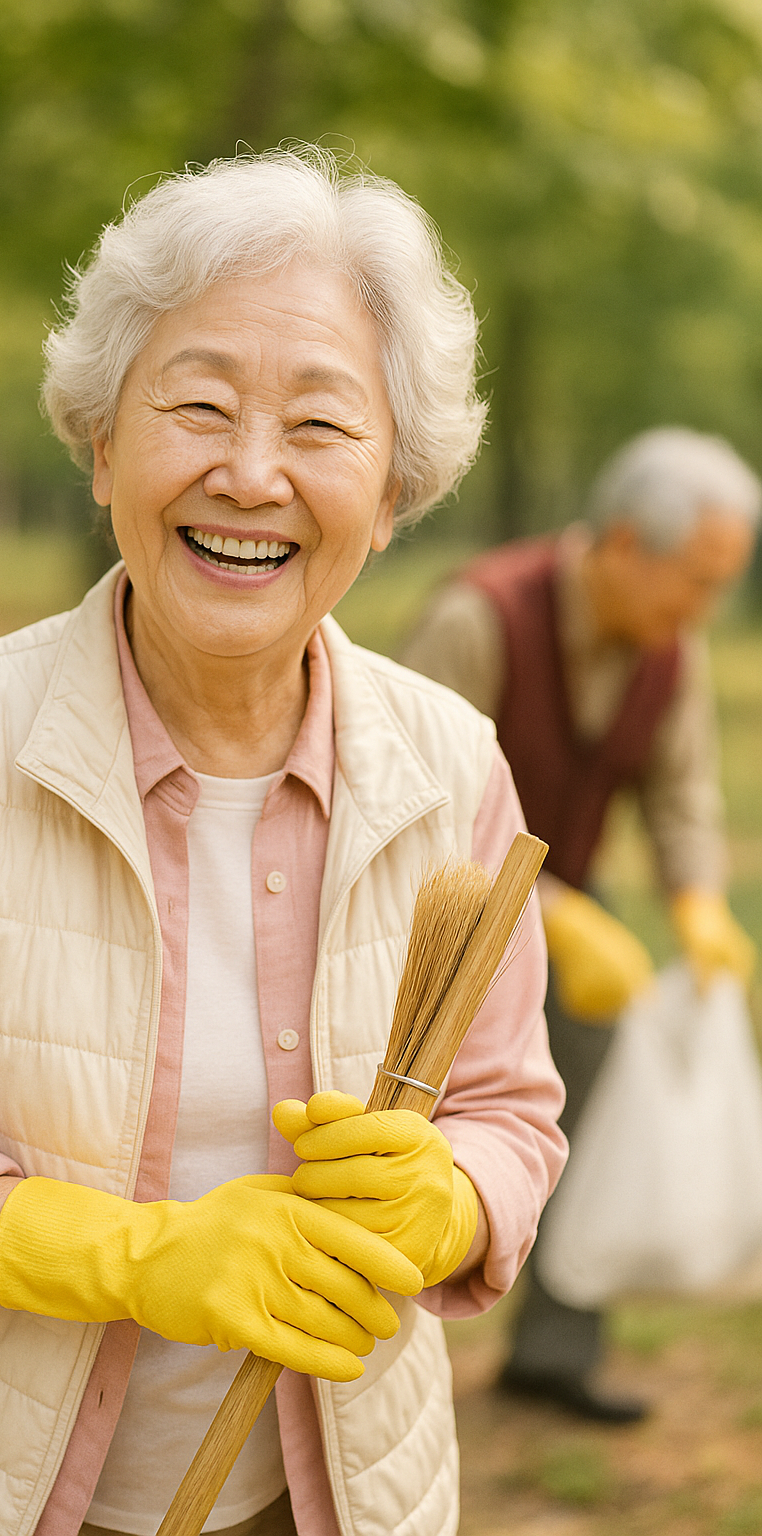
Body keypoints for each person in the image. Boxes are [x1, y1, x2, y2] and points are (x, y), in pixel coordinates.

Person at [0, 148, 566, 1536]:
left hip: (323, 1498)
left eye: (319, 426)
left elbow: (512, 1116)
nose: (249, 474)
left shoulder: (454, 766)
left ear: (392, 495)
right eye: (196, 405)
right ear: (101, 444)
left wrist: (451, 1200)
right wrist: (140, 1256)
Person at [399, 426, 760, 1424]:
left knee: (584, 1101)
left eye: (720, 586)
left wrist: (696, 901)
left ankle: (552, 1350)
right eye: (693, 580)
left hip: (563, 910)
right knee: (414, 1125)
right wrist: (544, 910)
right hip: (429, 910)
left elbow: (682, 793)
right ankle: (379, 1357)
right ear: (620, 546)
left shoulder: (666, 652)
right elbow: (408, 804)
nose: (703, 609)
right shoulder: (479, 618)